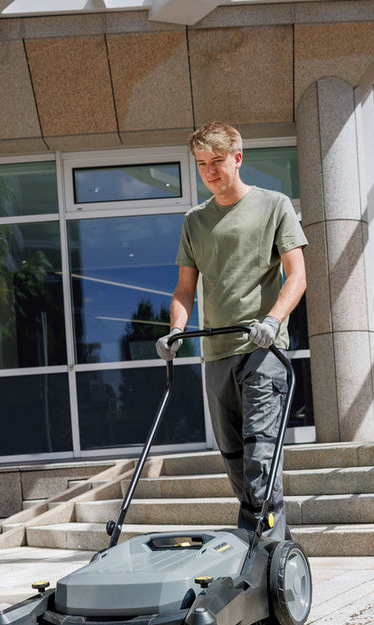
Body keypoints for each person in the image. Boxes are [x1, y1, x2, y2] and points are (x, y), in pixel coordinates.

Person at [158, 121, 307, 540]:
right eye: (202, 164)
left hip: (263, 348)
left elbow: (297, 276)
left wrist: (274, 320)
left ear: (238, 158)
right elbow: (185, 289)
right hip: (216, 352)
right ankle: (270, 541)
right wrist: (175, 329)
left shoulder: (274, 205)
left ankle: (261, 541)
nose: (209, 172)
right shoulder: (195, 222)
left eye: (217, 162)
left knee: (261, 451)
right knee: (234, 456)